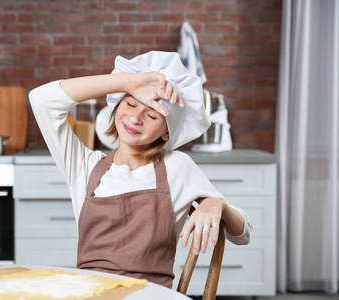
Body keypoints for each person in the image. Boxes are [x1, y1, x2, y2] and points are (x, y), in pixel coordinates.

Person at [29, 51, 252, 288]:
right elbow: (41, 99)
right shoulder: (85, 166)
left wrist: (216, 204)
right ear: (115, 105)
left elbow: (243, 233)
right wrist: (128, 82)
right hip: (91, 293)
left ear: (167, 132)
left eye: (152, 115)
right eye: (130, 103)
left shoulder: (177, 167)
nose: (135, 118)